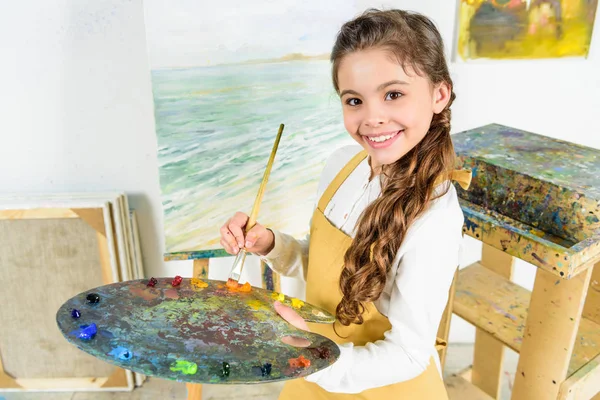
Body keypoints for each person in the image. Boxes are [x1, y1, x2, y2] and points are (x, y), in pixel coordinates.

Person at [219, 8, 471, 399]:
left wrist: (313, 354)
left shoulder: (435, 218)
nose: (372, 118)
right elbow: (323, 267)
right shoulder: (341, 163)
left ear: (439, 94)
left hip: (377, 384)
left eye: (393, 94)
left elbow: (408, 352)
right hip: (314, 363)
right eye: (354, 100)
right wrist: (270, 244)